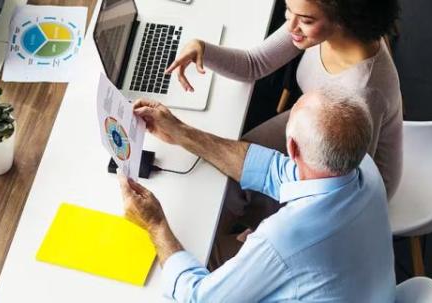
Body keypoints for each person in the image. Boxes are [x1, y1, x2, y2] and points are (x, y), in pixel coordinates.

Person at [168, 0, 402, 255]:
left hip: (349, 175)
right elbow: (253, 64)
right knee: (235, 163)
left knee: (239, 174)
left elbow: (342, 187)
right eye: (288, 10)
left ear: (343, 18)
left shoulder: (363, 92)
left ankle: (212, 247)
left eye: (305, 19)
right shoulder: (315, 26)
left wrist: (270, 228)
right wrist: (201, 49)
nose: (291, 25)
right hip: (317, 122)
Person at [122, 86, 395, 301]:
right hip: (367, 287)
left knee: (176, 267)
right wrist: (181, 133)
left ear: (293, 148)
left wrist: (155, 224)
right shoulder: (360, 164)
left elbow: (198, 298)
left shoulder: (282, 238)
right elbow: (269, 170)